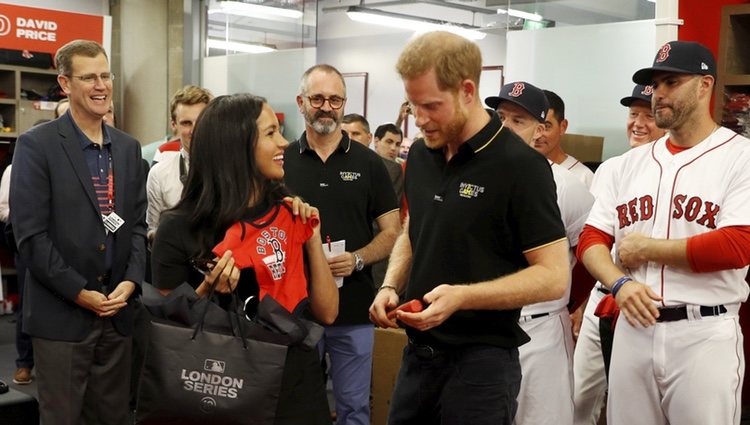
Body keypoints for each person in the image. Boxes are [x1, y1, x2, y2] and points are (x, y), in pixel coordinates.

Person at [369, 31, 569, 425]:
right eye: (413, 105)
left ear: (466, 90)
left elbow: (553, 277)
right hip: (418, 359)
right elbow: (415, 227)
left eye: (431, 106)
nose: (420, 119)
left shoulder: (521, 167)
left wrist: (463, 297)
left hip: (482, 367)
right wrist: (391, 284)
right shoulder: (423, 156)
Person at [577, 40, 750, 425]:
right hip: (633, 327)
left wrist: (649, 248)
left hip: (703, 331)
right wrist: (619, 283)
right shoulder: (627, 164)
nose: (659, 94)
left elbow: (738, 245)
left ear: (705, 85)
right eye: (656, 84)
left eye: (672, 82)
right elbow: (591, 240)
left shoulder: (741, 157)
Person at [150, 93, 338, 425]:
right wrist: (209, 287)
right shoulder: (178, 227)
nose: (283, 142)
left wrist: (311, 237)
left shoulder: (289, 209)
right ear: (236, 146)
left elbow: (327, 311)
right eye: (270, 133)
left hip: (296, 385)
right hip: (221, 389)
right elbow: (167, 328)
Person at [10, 39, 147, 425]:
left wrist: (131, 281)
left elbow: (136, 226)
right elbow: (30, 238)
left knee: (113, 417)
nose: (101, 85)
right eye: (89, 77)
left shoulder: (127, 148)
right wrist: (79, 291)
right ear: (65, 84)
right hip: (62, 317)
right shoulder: (36, 146)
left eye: (105, 75)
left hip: (118, 314)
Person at [284, 64, 401, 425]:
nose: (326, 107)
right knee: (296, 407)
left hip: (353, 308)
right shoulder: (282, 161)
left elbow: (392, 231)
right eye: (317, 98)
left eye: (335, 99)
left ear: (343, 103)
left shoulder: (370, 163)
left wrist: (358, 259)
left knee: (354, 408)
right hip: (295, 309)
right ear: (301, 102)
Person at [488, 81, 594, 425]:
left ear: (540, 127)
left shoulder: (567, 185)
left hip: (541, 327)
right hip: (485, 324)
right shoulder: (473, 176)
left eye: (518, 120)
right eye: (500, 117)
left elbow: (590, 251)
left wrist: (570, 301)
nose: (505, 127)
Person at [572, 83, 665, 425]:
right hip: (604, 296)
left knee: (637, 407)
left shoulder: (679, 172)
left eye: (648, 115)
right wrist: (582, 305)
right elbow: (592, 241)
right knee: (580, 395)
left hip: (648, 303)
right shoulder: (612, 168)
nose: (638, 123)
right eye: (632, 114)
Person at [146, 85, 212, 241]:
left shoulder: (231, 169)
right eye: (186, 123)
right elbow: (151, 231)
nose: (194, 130)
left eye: (201, 121)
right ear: (174, 124)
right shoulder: (159, 174)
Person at [535, 90, 594, 188]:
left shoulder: (583, 177)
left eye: (546, 126)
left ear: (562, 127)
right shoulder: (518, 169)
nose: (537, 135)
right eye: (533, 125)